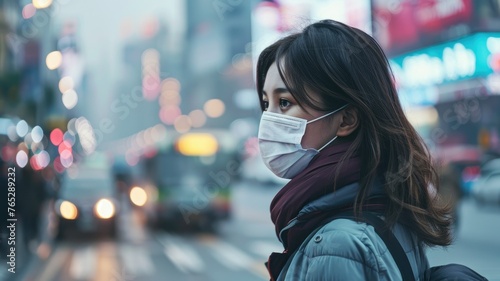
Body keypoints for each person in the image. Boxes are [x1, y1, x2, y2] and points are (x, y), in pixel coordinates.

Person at [256, 19, 452, 281]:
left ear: (346, 120)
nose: (268, 119)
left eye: (284, 102)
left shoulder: (335, 245)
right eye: (266, 103)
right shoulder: (389, 206)